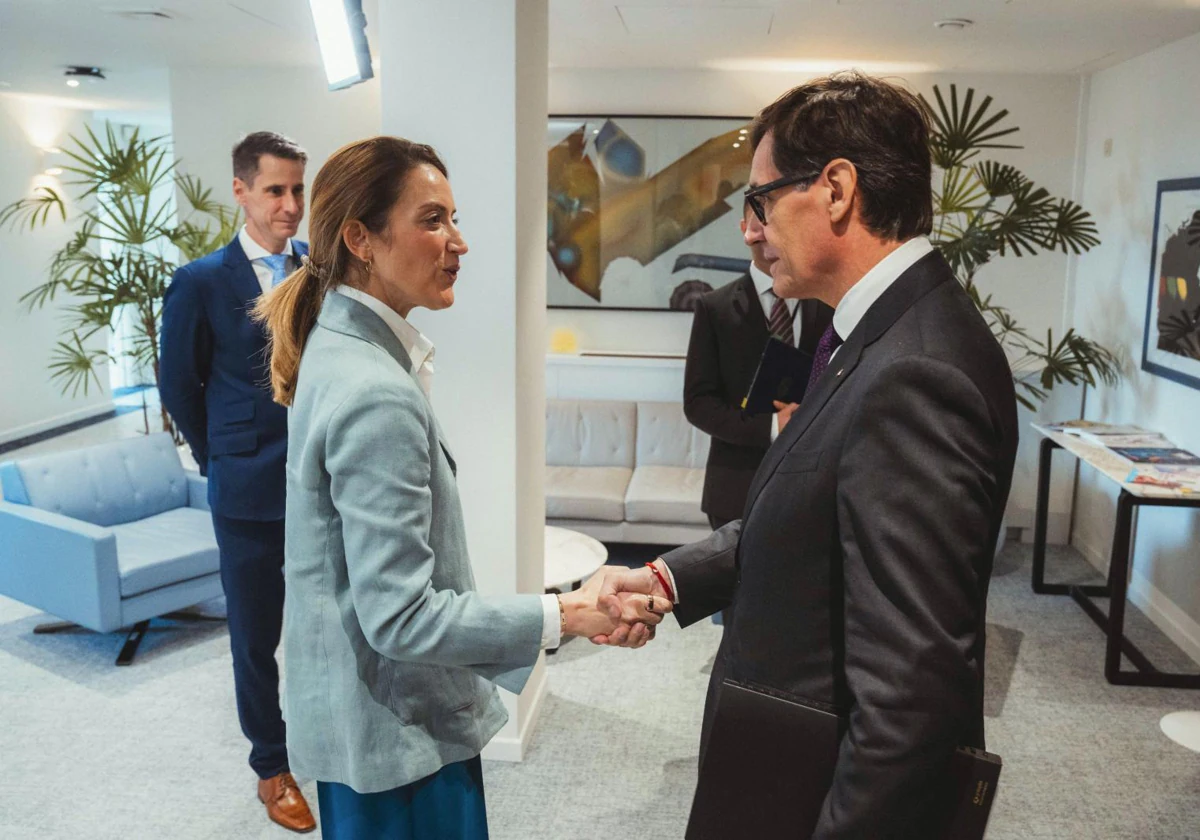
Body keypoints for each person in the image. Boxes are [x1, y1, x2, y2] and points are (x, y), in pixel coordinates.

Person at [595, 72, 1020, 838]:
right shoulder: (873, 332)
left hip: (811, 785)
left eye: (759, 202)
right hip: (779, 754)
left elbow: (911, 698)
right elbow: (810, 513)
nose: (749, 230)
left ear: (835, 189)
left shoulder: (917, 370)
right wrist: (668, 574)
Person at [252, 136, 666, 840]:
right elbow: (402, 617)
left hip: (370, 719)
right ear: (361, 239)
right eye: (433, 219)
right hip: (399, 738)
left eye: (454, 218)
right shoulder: (373, 391)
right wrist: (566, 614)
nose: (460, 242)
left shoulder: (337, 347)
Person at [159, 131, 316, 832]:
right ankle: (271, 766)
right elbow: (179, 384)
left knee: (323, 623)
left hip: (318, 483)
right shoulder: (200, 281)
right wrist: (215, 458)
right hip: (245, 485)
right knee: (255, 636)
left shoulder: (317, 268)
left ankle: (324, 733)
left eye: (297, 191)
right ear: (242, 191)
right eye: (276, 190)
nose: (290, 206)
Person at [684, 201, 832, 535]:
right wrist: (772, 428)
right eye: (759, 225)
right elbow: (698, 403)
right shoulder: (714, 308)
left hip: (810, 486)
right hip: (735, 488)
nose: (770, 236)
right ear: (744, 230)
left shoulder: (824, 303)